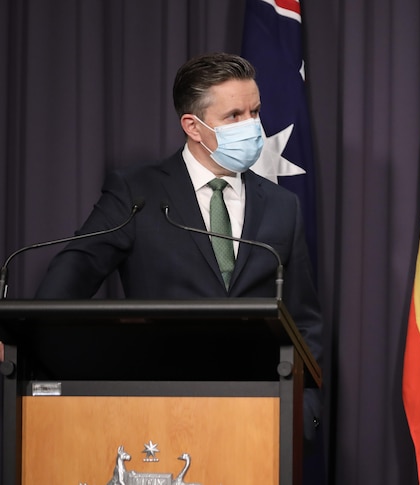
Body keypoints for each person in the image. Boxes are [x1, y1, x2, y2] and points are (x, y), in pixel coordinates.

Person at [34, 52, 323, 438]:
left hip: (259, 418)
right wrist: (27, 343)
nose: (252, 126)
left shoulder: (283, 206)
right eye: (234, 116)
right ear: (193, 126)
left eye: (255, 112)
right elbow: (74, 271)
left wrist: (304, 408)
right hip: (158, 411)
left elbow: (304, 320)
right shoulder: (137, 192)